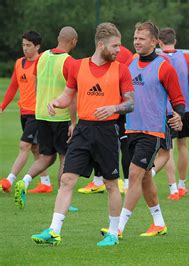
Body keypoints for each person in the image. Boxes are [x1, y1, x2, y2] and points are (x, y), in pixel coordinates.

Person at [31, 22, 134, 247]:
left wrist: (113, 108)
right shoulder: (77, 67)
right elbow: (68, 94)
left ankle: (113, 234)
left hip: (107, 132)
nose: (119, 50)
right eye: (115, 46)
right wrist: (56, 102)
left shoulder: (122, 70)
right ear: (101, 44)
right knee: (67, 179)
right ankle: (54, 231)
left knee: (110, 184)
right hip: (83, 130)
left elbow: (130, 103)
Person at [100, 21, 184, 239]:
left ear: (154, 41)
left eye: (142, 38)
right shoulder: (129, 65)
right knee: (145, 177)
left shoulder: (164, 66)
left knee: (135, 175)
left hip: (153, 131)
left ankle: (117, 228)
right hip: (131, 130)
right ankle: (159, 223)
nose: (137, 42)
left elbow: (178, 99)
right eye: (135, 38)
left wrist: (179, 116)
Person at [13, 27, 78, 208]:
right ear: (74, 42)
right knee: (64, 157)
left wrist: (40, 105)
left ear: (58, 38)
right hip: (60, 116)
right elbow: (71, 95)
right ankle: (62, 198)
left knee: (46, 156)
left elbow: (35, 83)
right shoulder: (69, 62)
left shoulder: (42, 57)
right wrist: (73, 122)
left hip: (41, 114)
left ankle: (24, 181)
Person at [77, 45, 134, 194]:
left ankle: (128, 184)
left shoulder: (124, 54)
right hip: (103, 109)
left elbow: (127, 77)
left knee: (124, 143)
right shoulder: (101, 55)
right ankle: (98, 181)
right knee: (98, 141)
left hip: (120, 108)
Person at [0, 31, 50, 193]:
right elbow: (13, 86)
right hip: (23, 112)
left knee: (24, 145)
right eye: (23, 45)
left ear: (37, 47)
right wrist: (2, 106)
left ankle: (9, 180)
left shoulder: (43, 62)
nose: (25, 48)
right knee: (36, 148)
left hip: (37, 113)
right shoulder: (18, 63)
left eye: (29, 45)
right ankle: (45, 183)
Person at [156, 27, 189, 200]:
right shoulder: (187, 58)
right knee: (183, 146)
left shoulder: (157, 59)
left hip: (166, 109)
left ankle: (173, 189)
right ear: (174, 41)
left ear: (159, 42)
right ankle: (182, 185)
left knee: (168, 149)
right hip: (184, 109)